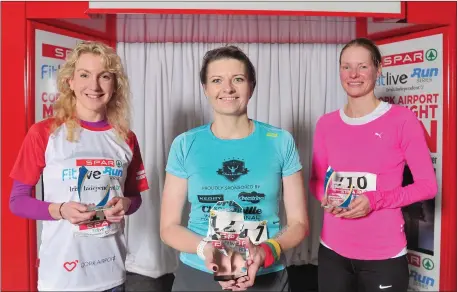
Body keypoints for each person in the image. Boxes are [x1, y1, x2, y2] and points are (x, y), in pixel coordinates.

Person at [160, 45, 309, 291]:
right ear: (205, 88)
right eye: (217, 80)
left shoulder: (281, 141)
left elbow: (299, 223)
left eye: (237, 79)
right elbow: (168, 227)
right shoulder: (185, 143)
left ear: (252, 85)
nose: (227, 88)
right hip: (199, 273)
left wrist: (265, 251)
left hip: (267, 272)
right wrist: (206, 250)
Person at [9, 41, 149, 291]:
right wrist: (61, 210)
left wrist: (125, 204)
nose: (94, 86)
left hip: (112, 274)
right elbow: (17, 201)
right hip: (63, 278)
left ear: (114, 84)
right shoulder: (44, 133)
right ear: (70, 82)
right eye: (84, 75)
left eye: (104, 76)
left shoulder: (126, 137)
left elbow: (134, 198)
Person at [309, 38, 438, 292]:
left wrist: (375, 200)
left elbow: (427, 186)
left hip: (384, 256)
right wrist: (325, 196)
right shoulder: (326, 123)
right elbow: (315, 180)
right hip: (332, 252)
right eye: (346, 67)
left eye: (362, 67)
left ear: (378, 69)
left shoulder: (402, 120)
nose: (353, 74)